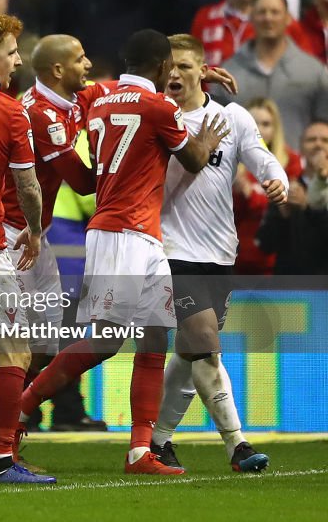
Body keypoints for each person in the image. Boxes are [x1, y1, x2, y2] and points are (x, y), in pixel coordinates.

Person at [17, 29, 229, 475]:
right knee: (104, 340)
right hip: (121, 233)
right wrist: (207, 144)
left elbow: (83, 90)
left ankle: (140, 451)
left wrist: (197, 74)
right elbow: (191, 160)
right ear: (163, 68)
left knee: (154, 336)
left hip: (142, 235)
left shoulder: (100, 97)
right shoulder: (159, 109)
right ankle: (18, 409)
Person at [0, 34, 109, 464]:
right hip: (12, 238)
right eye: (81, 59)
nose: (87, 66)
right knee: (17, 346)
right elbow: (84, 182)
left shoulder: (70, 100)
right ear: (57, 70)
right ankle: (5, 444)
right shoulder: (39, 116)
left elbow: (106, 91)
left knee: (44, 344)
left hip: (38, 235)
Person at [151, 33, 285, 473]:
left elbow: (261, 156)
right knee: (207, 343)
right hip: (171, 247)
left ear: (202, 70)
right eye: (168, 66)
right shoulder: (154, 115)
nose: (174, 74)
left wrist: (276, 179)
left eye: (184, 67)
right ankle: (238, 444)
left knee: (190, 352)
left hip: (220, 252)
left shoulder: (231, 117)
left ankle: (158, 440)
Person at [213, 0, 328, 147]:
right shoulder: (228, 73)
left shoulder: (313, 71)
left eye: (275, 12)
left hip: (295, 168)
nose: (268, 18)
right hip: (241, 168)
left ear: (288, 18)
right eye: (262, 12)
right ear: (251, 17)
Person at [233, 98, 302, 275]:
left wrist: (251, 195)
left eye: (266, 124)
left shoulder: (290, 161)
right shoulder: (231, 161)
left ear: (275, 128)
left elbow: (288, 208)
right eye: (253, 122)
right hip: (236, 255)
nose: (259, 129)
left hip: (276, 256)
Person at [256, 120, 328, 274]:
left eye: (325, 140)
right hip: (289, 289)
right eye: (311, 140)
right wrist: (283, 215)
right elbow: (265, 245)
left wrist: (307, 208)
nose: (318, 145)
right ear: (301, 147)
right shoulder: (285, 188)